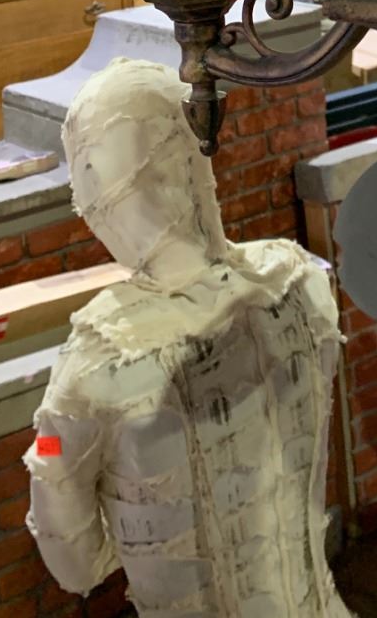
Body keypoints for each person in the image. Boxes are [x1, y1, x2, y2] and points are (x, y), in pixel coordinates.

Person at [27, 57, 349, 618]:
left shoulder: (100, 357)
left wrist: (51, 447)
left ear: (97, 182)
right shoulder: (301, 282)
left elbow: (74, 565)